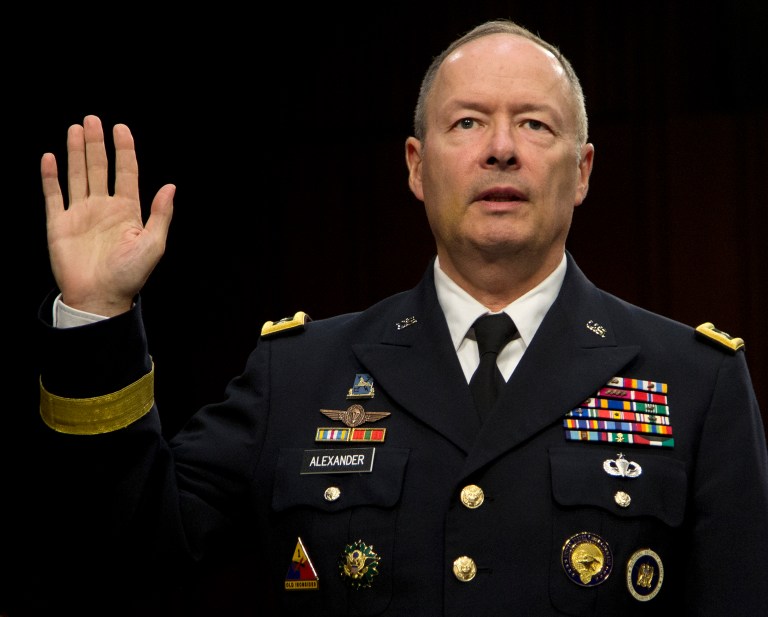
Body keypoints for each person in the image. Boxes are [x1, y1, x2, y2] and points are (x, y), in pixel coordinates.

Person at [32, 18, 768, 616]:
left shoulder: (696, 383)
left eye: (536, 126)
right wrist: (97, 316)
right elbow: (127, 553)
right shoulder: (299, 373)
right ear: (416, 166)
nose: (502, 149)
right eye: (469, 122)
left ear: (582, 172)